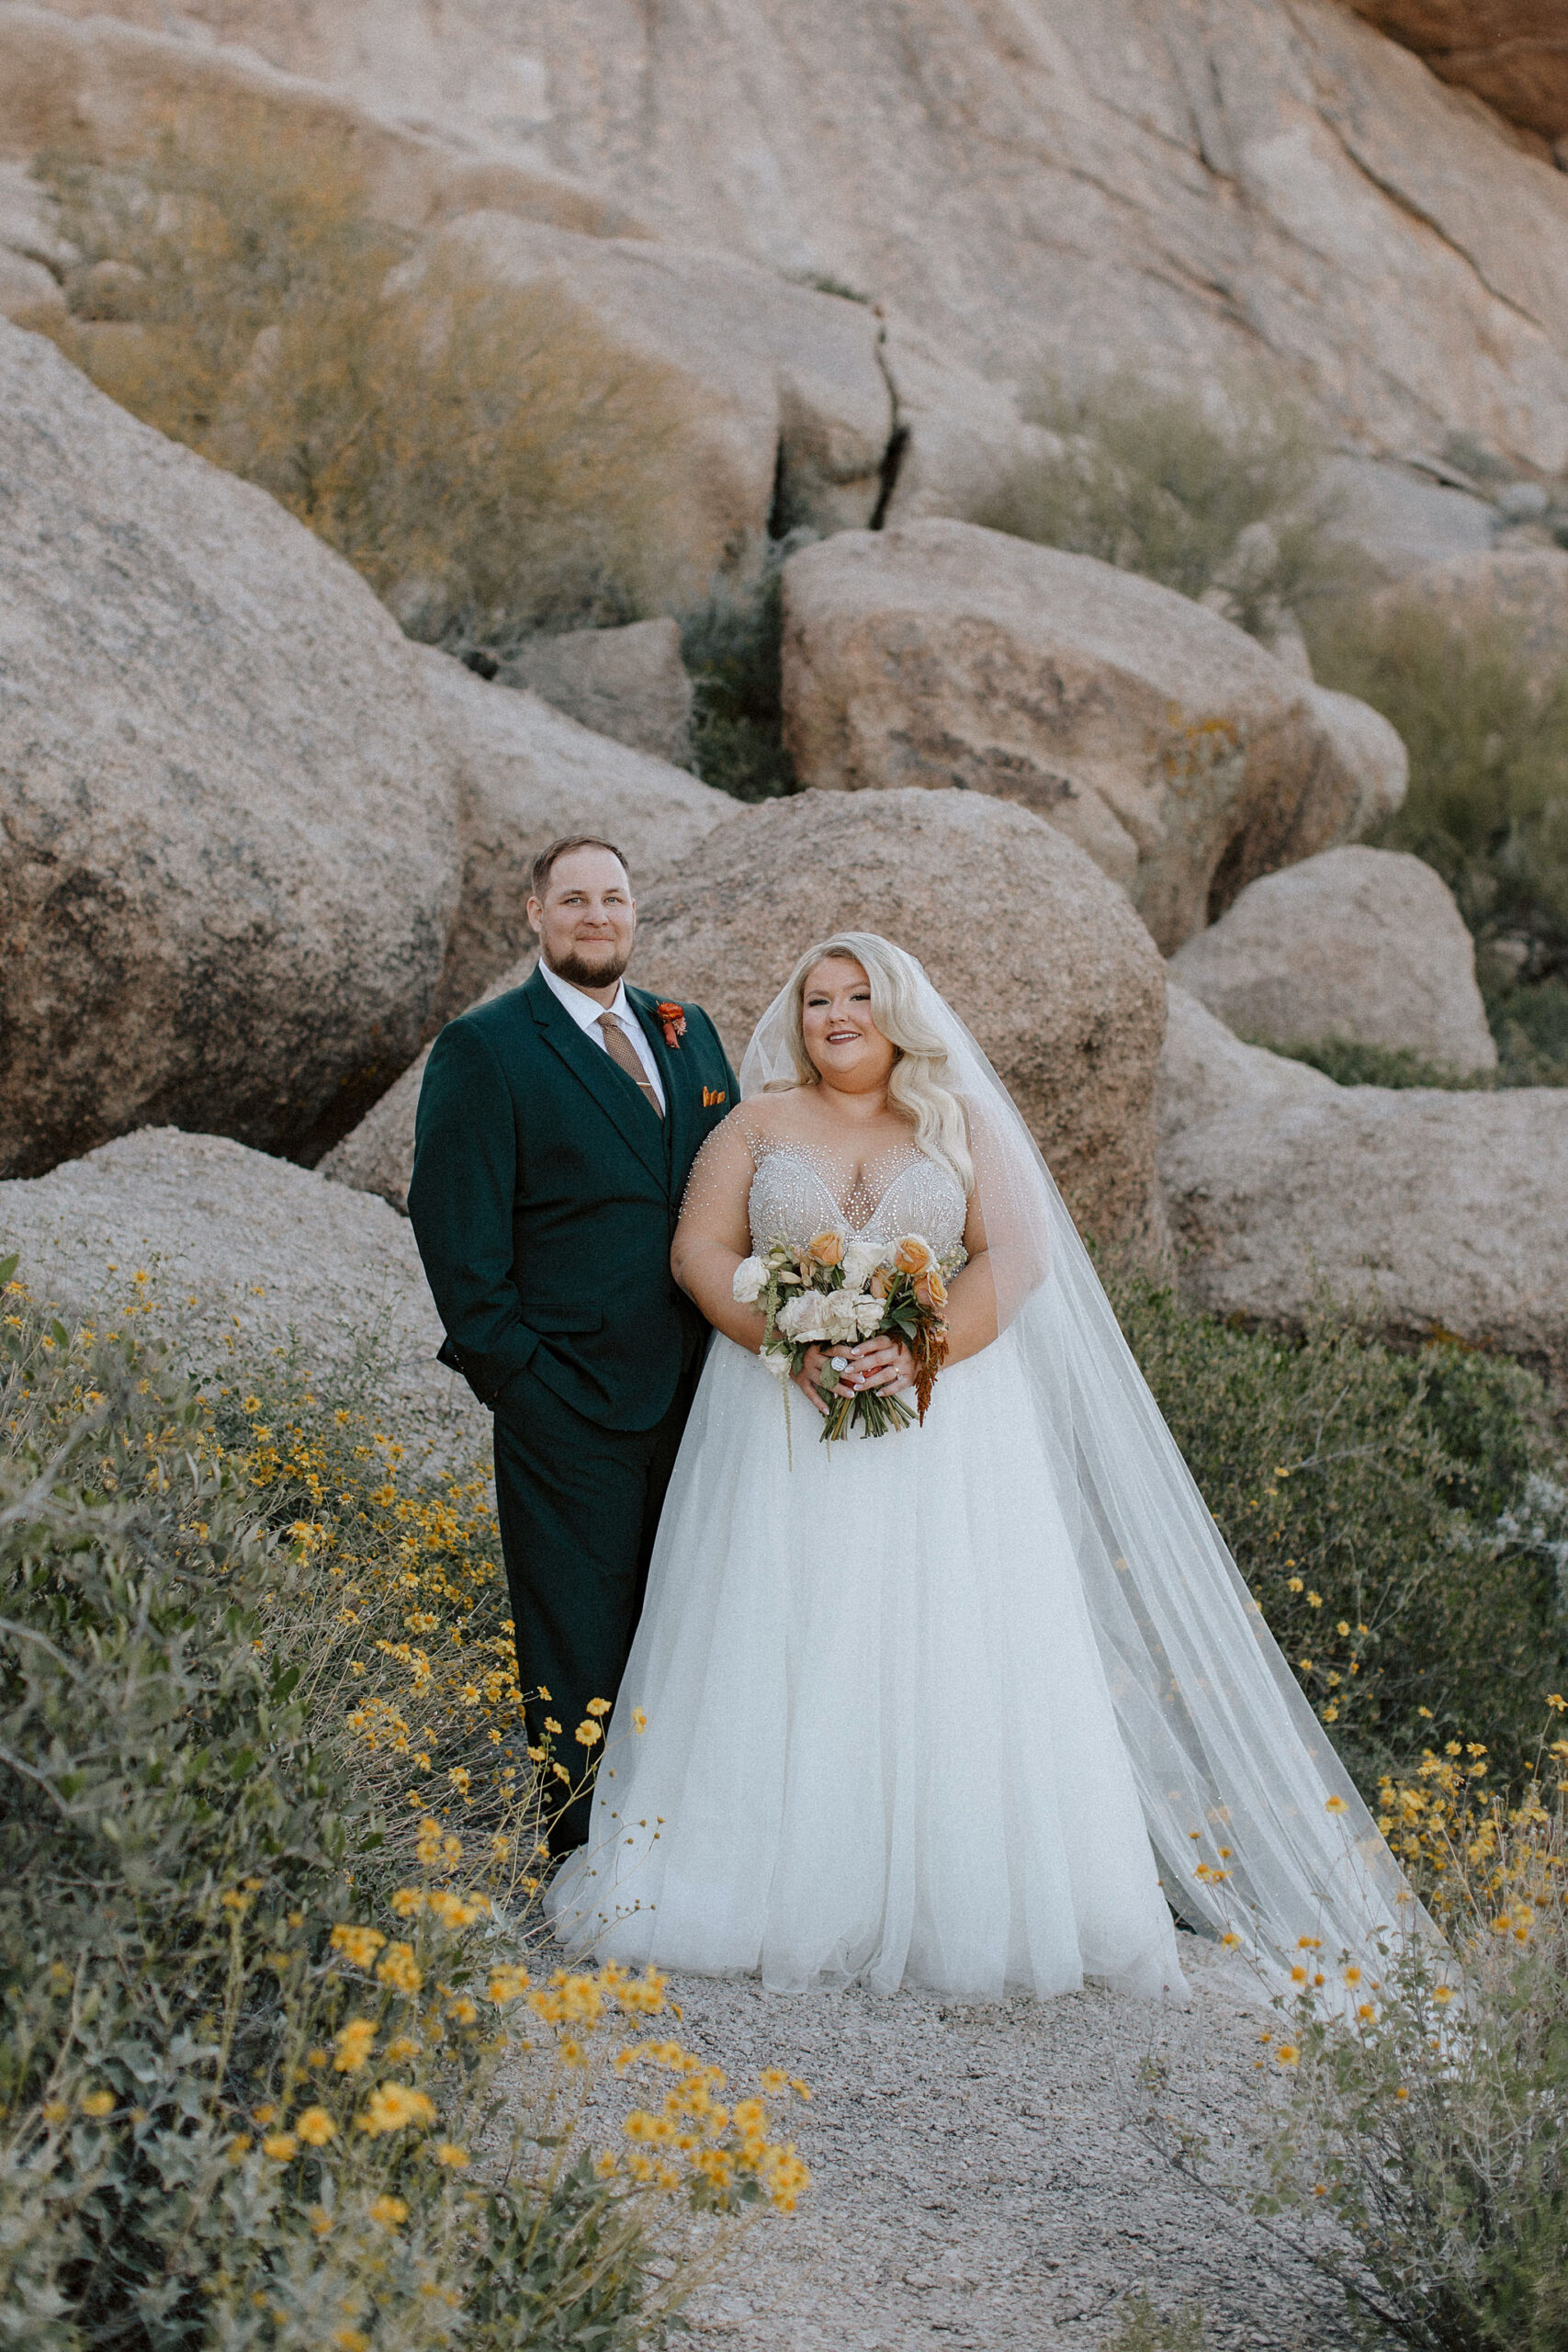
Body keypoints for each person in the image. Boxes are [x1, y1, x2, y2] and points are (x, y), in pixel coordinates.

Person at [547, 932, 1416, 1998]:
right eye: (818, 998)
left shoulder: (957, 1120)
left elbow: (1021, 1254)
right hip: (776, 1418)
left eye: (860, 994)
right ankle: (754, 1884)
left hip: (942, 1427)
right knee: (779, 1622)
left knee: (938, 1629)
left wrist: (920, 1346)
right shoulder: (756, 1123)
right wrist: (792, 1340)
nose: (837, 1014)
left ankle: (949, 1896)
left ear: (899, 1008)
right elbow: (699, 1253)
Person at [407, 836, 738, 1854]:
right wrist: (518, 1376)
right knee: (576, 1635)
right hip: (569, 1399)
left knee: (694, 1619)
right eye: (575, 899)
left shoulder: (689, 1032)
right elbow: (454, 1226)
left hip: (704, 1393)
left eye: (615, 898)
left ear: (636, 913)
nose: (597, 916)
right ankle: (582, 1855)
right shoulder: (487, 1046)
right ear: (535, 913)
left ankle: (683, 1841)